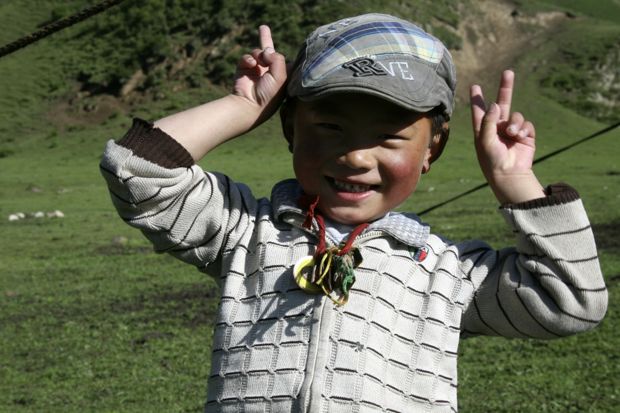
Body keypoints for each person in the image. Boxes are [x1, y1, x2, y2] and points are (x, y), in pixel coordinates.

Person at [100, 13, 607, 413]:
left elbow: (570, 304)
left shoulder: (447, 274)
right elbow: (137, 169)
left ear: (432, 150)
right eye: (330, 127)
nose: (356, 157)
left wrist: (515, 181)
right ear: (290, 129)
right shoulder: (245, 233)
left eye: (389, 137)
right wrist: (242, 107)